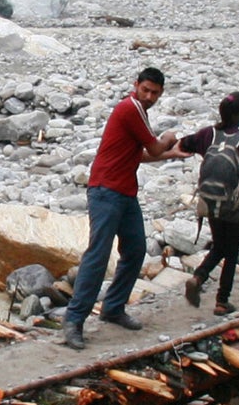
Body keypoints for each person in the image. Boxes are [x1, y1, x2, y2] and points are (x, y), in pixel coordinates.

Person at [63, 67, 189, 350]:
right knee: (97, 256)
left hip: (124, 192)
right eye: (145, 90)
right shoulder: (129, 108)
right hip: (105, 192)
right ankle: (73, 320)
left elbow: (139, 156)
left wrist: (171, 152)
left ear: (161, 93)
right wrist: (170, 137)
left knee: (134, 250)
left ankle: (113, 307)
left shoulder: (137, 113)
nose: (149, 96)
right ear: (136, 86)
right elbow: (155, 148)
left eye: (155, 93)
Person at [180, 92, 239, 314]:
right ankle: (222, 300)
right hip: (234, 205)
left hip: (209, 202)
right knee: (231, 251)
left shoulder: (208, 134)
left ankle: (199, 278)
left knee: (219, 244)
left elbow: (185, 143)